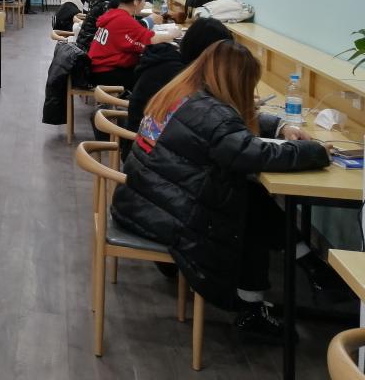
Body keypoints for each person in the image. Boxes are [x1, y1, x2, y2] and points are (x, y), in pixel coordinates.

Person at [111, 41, 335, 341]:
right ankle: (290, 281)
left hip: (144, 200)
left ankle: (291, 279)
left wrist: (280, 127)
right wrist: (315, 151)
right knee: (246, 205)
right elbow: (253, 153)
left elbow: (231, 128)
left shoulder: (182, 92)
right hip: (161, 213)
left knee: (250, 200)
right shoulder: (211, 112)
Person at [126, 17, 234, 136]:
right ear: (206, 51)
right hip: (146, 138)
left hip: (145, 132)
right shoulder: (177, 73)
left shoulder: (170, 58)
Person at [87, 0, 177, 90]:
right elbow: (150, 39)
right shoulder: (123, 19)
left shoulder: (113, 13)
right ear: (136, 1)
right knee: (155, 77)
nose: (144, 4)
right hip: (106, 73)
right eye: (144, 0)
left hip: (98, 69)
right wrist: (172, 34)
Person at [77, 0, 147, 52]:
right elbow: (125, 26)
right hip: (89, 50)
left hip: (86, 45)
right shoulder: (108, 4)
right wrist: (147, 21)